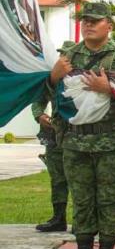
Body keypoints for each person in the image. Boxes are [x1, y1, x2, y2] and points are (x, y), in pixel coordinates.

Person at [49, 1, 115, 249]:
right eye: (85, 20)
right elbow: (51, 95)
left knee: (108, 201)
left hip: (110, 143)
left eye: (95, 20)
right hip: (75, 143)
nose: (88, 24)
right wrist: (53, 76)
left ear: (109, 25)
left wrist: (111, 89)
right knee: (81, 202)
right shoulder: (68, 58)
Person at [32, 40, 76, 233]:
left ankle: (83, 222)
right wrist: (39, 115)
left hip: (78, 134)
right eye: (62, 55)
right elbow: (38, 99)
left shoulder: (82, 78)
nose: (63, 58)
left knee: (79, 178)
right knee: (57, 177)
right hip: (56, 134)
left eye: (67, 55)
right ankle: (58, 218)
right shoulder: (54, 77)